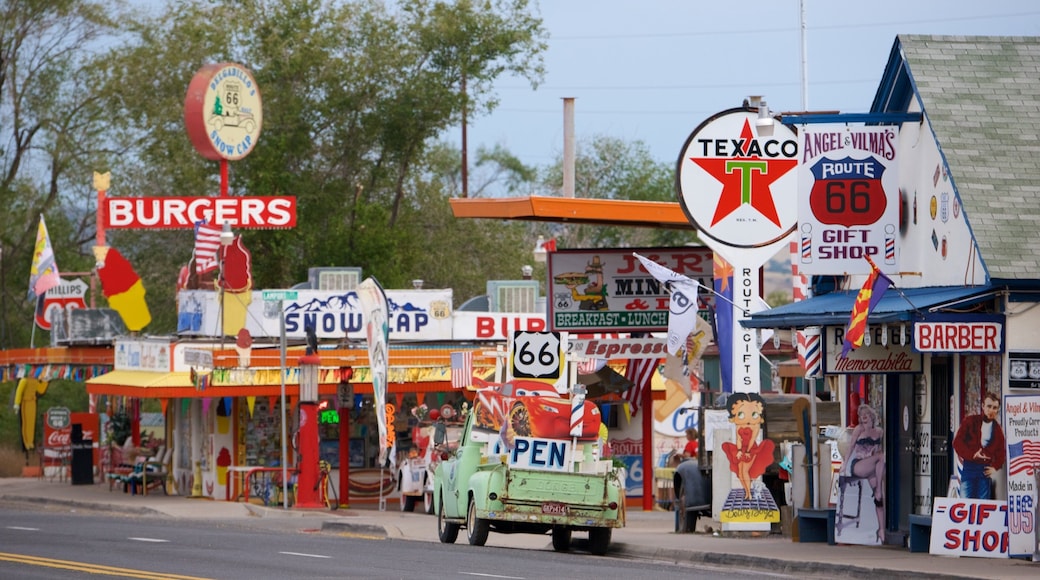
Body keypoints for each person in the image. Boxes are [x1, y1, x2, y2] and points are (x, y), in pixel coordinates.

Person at [841, 404, 886, 543]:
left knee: (880, 500)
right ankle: (878, 489)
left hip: (872, 468)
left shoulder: (879, 431)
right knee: (881, 457)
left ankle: (881, 530)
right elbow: (850, 447)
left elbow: (879, 449)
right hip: (859, 464)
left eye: (866, 414)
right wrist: (845, 463)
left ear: (872, 416)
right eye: (861, 416)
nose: (864, 417)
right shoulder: (858, 430)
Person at [720, 393, 774, 500]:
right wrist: (739, 450)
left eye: (754, 414)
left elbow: (752, 439)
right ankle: (747, 491)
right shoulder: (739, 426)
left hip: (752, 449)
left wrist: (748, 451)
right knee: (740, 473)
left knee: (745, 471)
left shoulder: (755, 426)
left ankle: (749, 494)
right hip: (742, 449)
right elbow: (739, 439)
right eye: (741, 414)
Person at [952, 391, 1006, 499]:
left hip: (984, 470)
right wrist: (972, 454)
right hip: (969, 467)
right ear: (983, 406)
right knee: (965, 502)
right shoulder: (970, 421)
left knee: (983, 503)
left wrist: (995, 467)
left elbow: (1002, 451)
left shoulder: (997, 430)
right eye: (989, 406)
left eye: (995, 408)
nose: (991, 410)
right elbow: (957, 442)